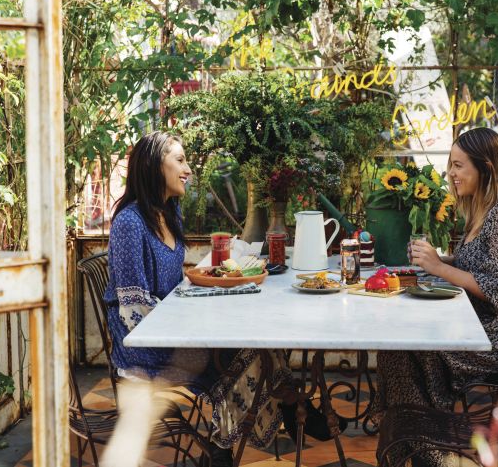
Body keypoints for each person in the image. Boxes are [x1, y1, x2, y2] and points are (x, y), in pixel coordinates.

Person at [103, 131, 337, 467]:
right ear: (155, 166)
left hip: (173, 326)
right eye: (180, 160)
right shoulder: (130, 222)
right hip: (144, 341)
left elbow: (174, 283)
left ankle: (275, 415)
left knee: (262, 342)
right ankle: (225, 446)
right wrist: (194, 324)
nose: (188, 170)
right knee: (246, 352)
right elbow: (134, 310)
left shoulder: (170, 212)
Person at [373, 128, 498, 467]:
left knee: (402, 347)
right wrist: (439, 261)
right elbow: (479, 269)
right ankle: (420, 442)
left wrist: (438, 267)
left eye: (459, 165)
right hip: (474, 326)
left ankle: (428, 451)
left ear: (487, 168)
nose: (451, 173)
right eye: (451, 165)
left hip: (493, 338)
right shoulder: (483, 211)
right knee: (397, 345)